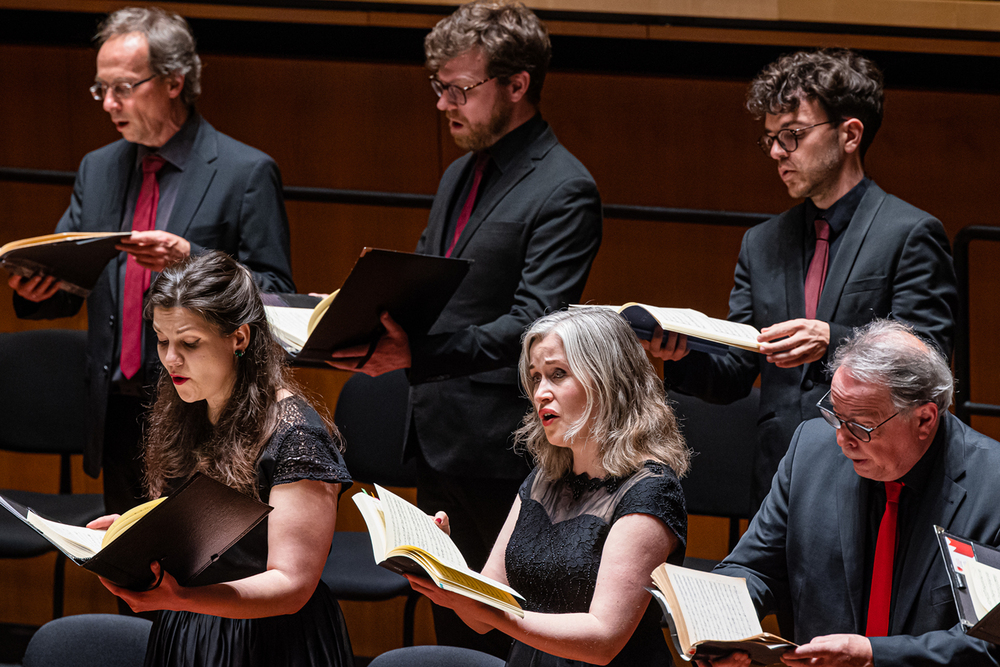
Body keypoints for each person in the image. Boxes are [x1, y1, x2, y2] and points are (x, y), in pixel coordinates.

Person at [328, 1, 602, 654]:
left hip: (501, 444)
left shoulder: (565, 188)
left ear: (517, 84)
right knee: (449, 621)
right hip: (437, 433)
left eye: (460, 88)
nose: (444, 103)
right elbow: (434, 289)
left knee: (500, 625)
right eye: (438, 87)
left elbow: (537, 329)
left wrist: (414, 353)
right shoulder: (460, 171)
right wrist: (364, 318)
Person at [647, 48, 958, 515]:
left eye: (792, 135)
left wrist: (832, 338)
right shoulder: (761, 242)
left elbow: (930, 356)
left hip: (872, 475)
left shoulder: (910, 232)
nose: (776, 151)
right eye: (770, 138)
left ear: (850, 134)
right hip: (778, 478)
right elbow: (735, 373)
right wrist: (682, 352)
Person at [9, 7, 294, 515]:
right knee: (129, 575)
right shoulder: (98, 169)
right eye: (101, 90)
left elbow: (275, 293)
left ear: (173, 82)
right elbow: (73, 271)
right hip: (118, 410)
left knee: (198, 580)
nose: (108, 104)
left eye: (122, 87)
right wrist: (39, 287)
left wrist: (192, 256)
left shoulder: (244, 171)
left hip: (207, 412)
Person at [89, 251, 352, 667]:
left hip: (268, 639)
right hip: (190, 624)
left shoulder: (296, 433)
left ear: (240, 338)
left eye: (189, 343)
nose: (171, 359)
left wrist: (183, 598)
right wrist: (135, 535)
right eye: (162, 340)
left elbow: (292, 584)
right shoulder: (186, 406)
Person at [697, 320, 1000, 667]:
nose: (842, 439)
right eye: (836, 416)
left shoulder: (993, 488)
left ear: (925, 419)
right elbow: (755, 569)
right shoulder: (810, 449)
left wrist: (874, 657)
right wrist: (715, 623)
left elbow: (988, 643)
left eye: (860, 425)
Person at [406, 307, 689, 666]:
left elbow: (603, 640)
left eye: (558, 374)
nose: (541, 393)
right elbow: (481, 620)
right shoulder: (544, 478)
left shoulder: (651, 490)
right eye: (536, 377)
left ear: (609, 380)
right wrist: (444, 564)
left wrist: (496, 615)